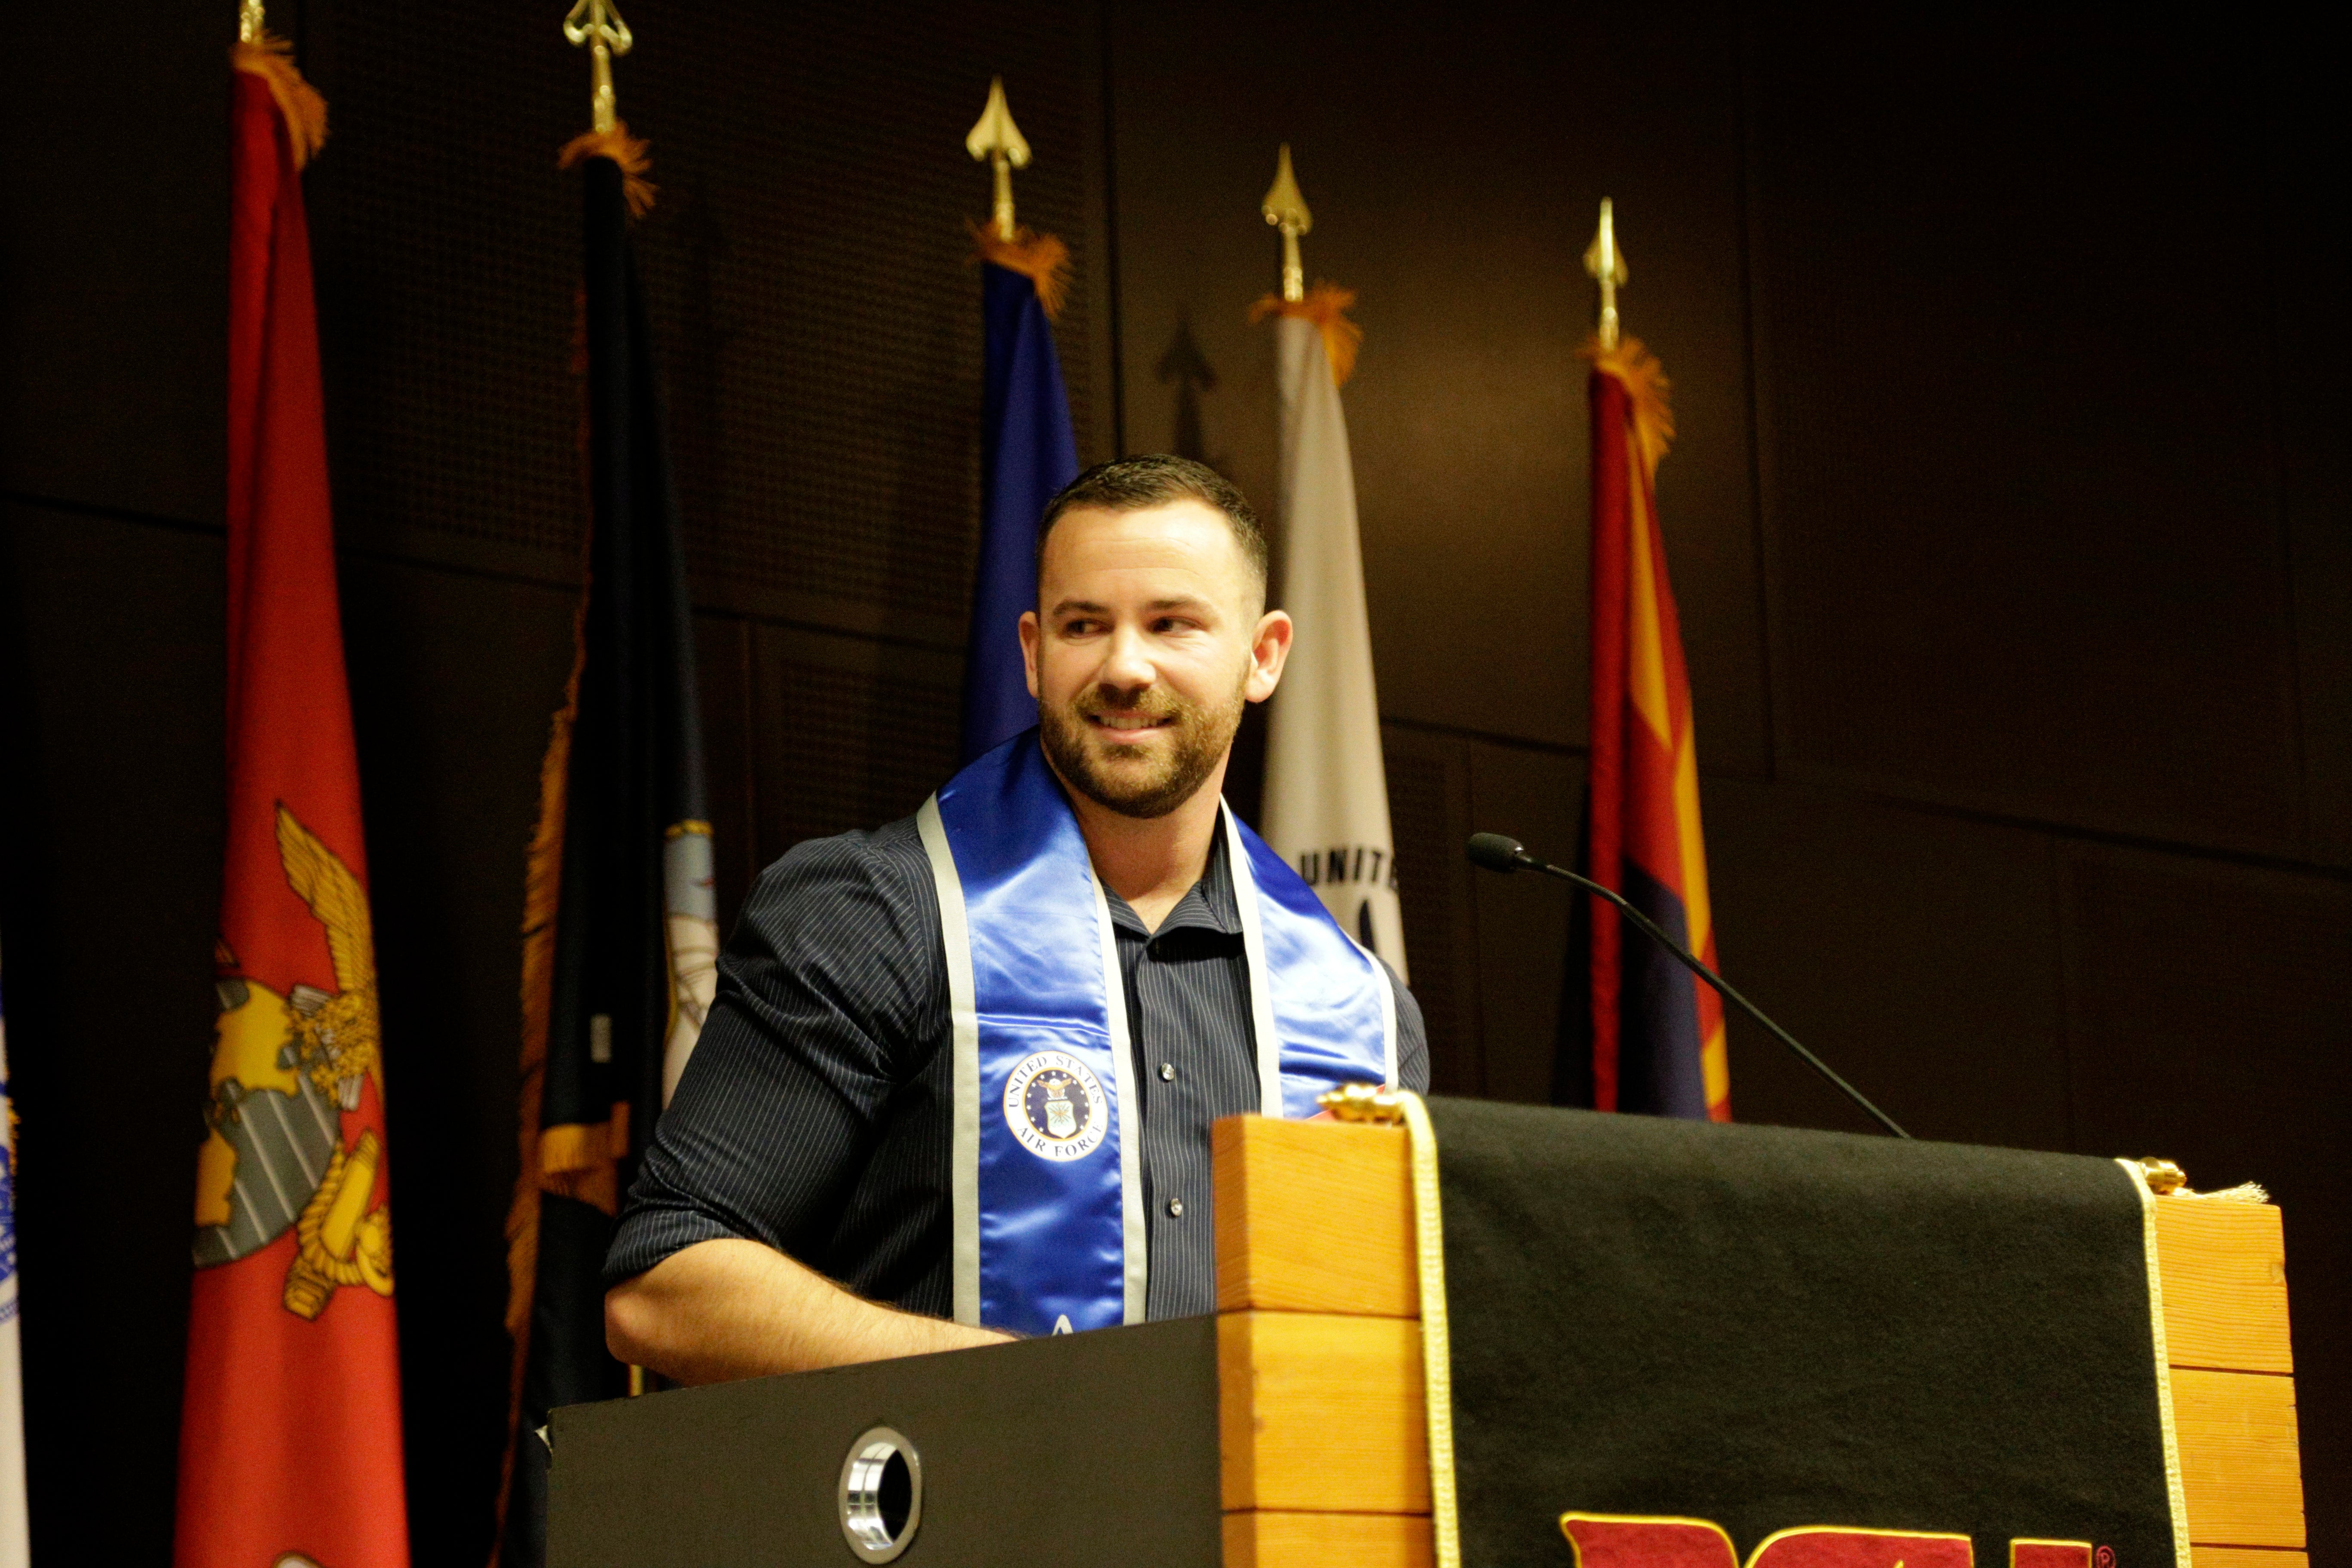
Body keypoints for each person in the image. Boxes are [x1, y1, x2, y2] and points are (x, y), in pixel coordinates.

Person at [603, 455, 1427, 1384]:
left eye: (1172, 624)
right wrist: (1035, 1396)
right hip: (953, 1515)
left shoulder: (1359, 1015)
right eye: (1086, 626)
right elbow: (663, 1288)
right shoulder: (873, 916)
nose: (1124, 666)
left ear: (1263, 656)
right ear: (1034, 653)